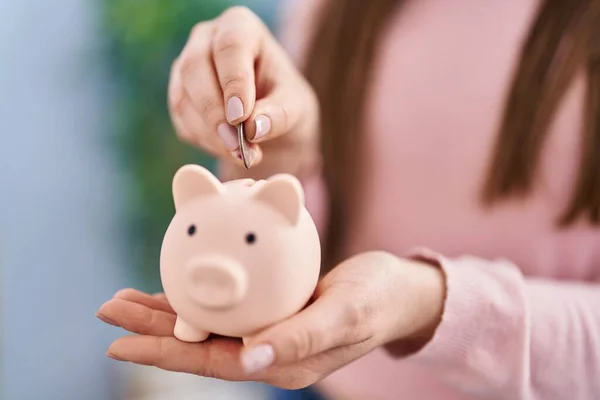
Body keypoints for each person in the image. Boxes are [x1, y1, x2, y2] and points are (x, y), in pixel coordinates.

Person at [96, 1, 600, 399]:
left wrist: (430, 305)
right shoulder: (331, 7)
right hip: (315, 379)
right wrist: (285, 153)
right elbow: (303, 222)